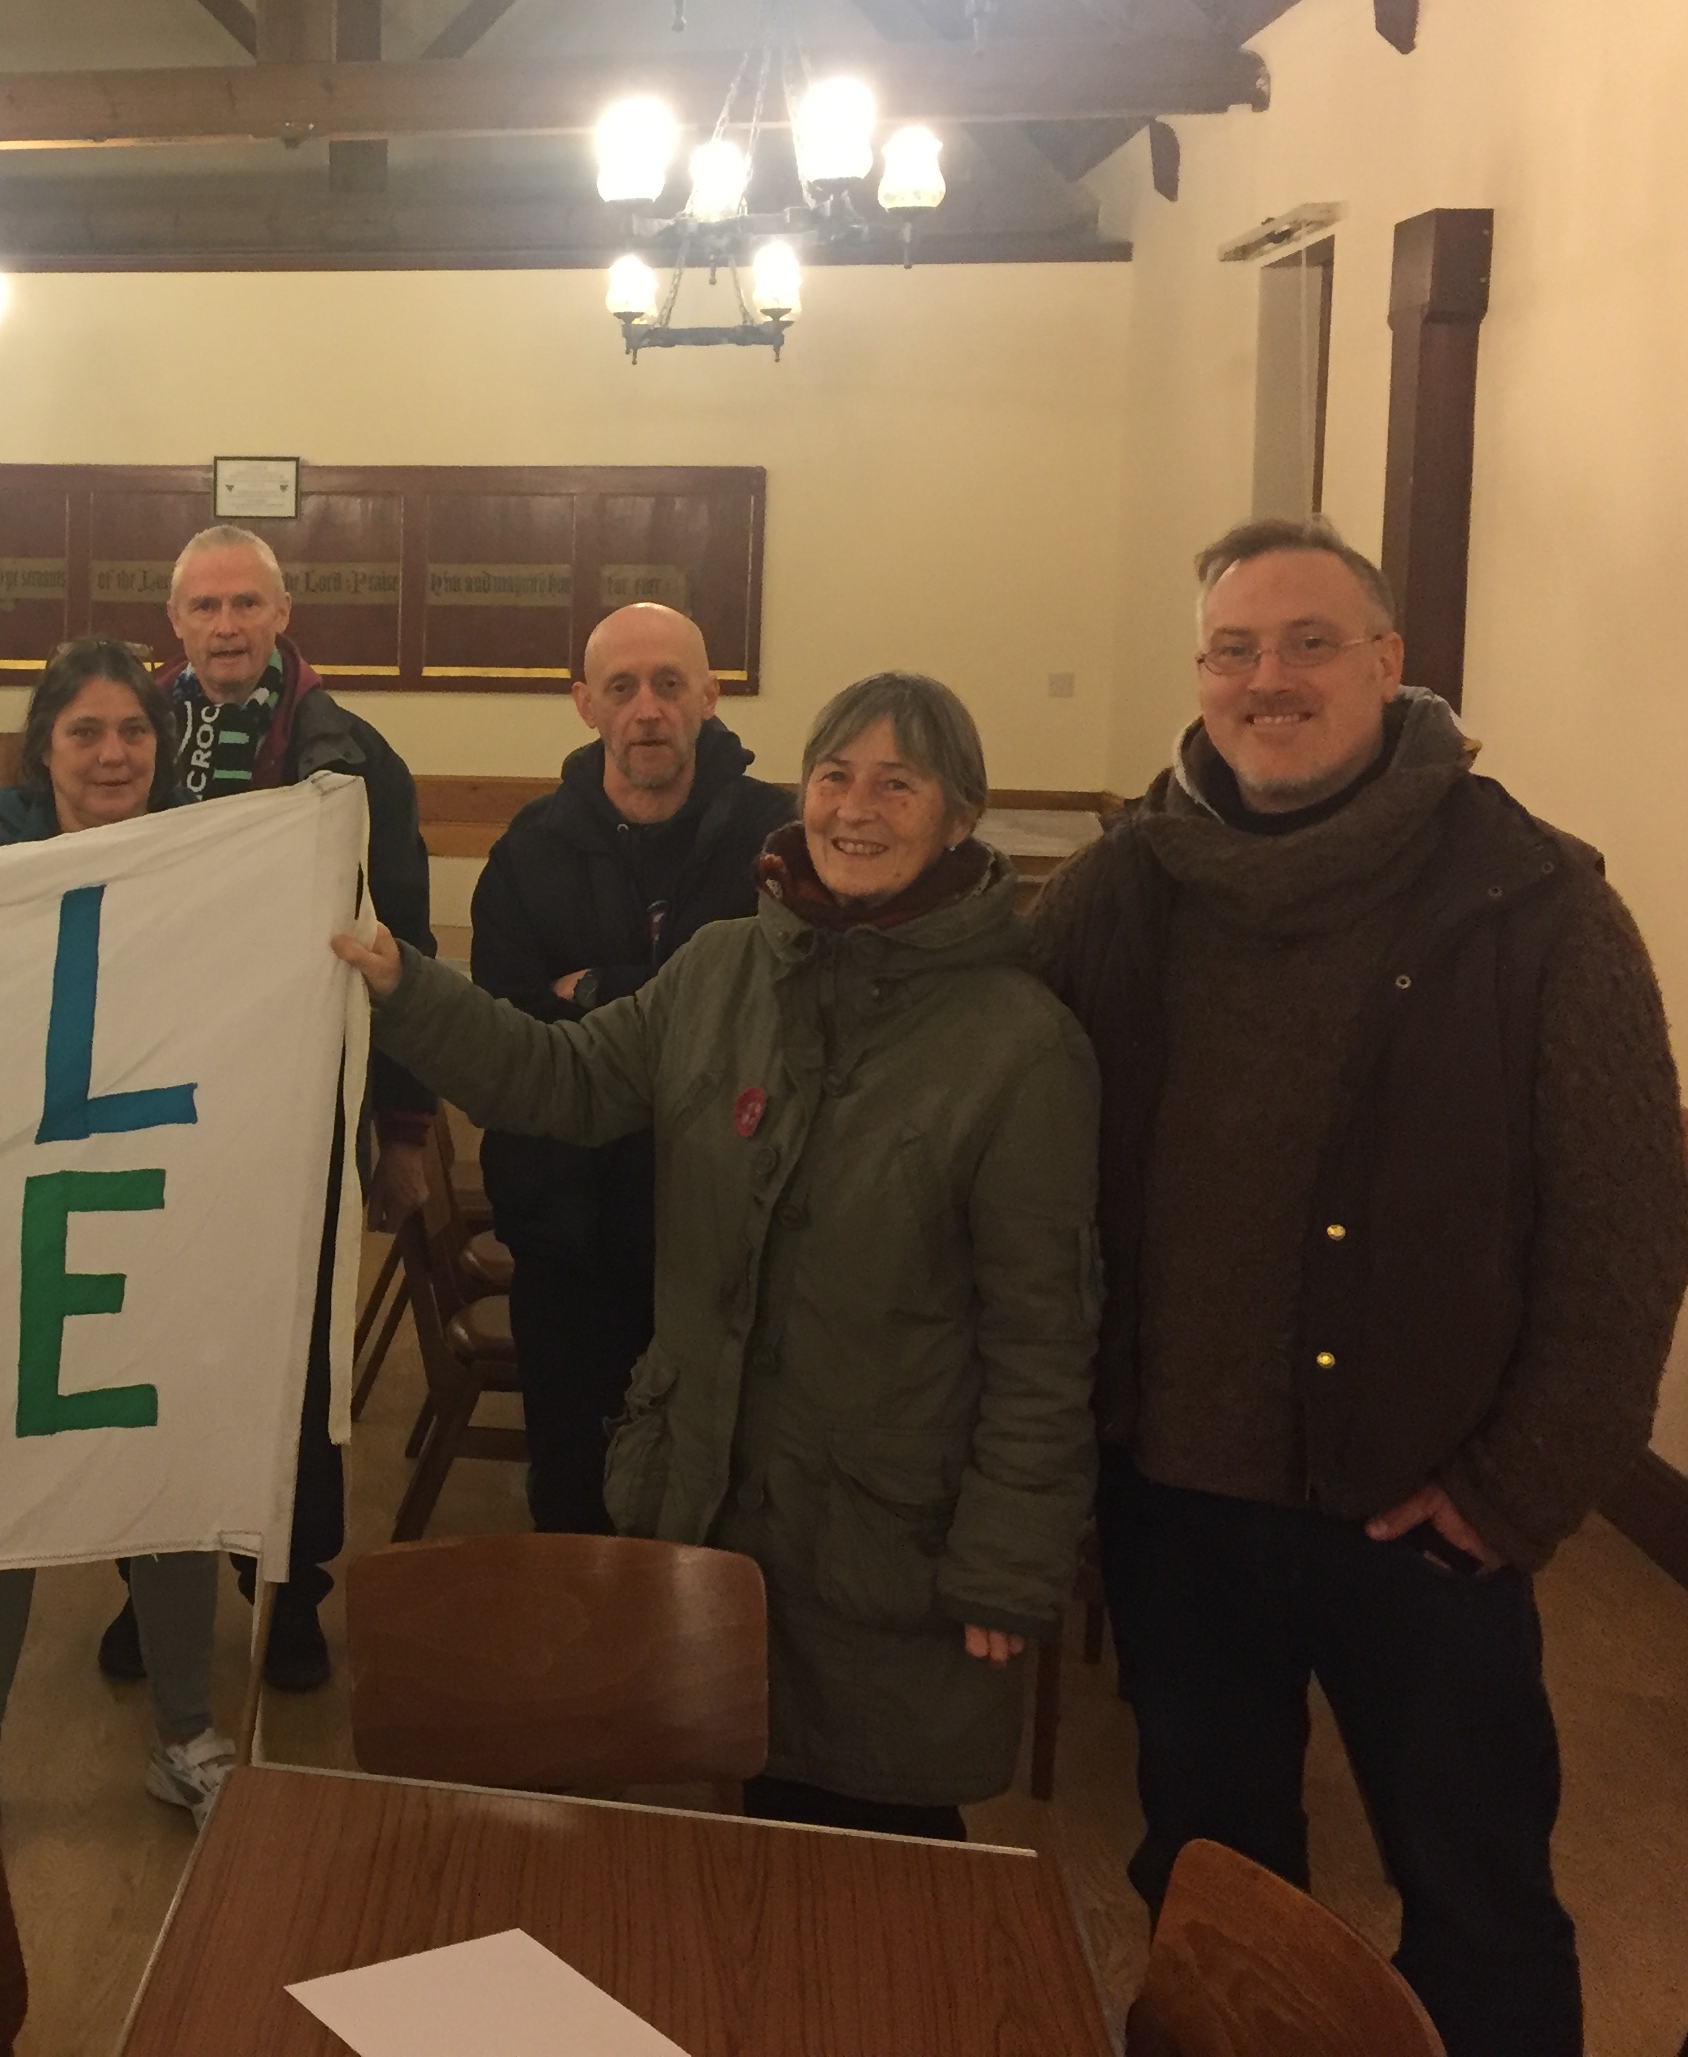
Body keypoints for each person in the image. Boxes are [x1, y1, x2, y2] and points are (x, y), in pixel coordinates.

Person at [1028, 517, 1688, 2055]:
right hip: (1179, 1503)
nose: (1271, 680)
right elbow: (970, 1030)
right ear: (1199, 678)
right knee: (1207, 1885)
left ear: (1391, 666)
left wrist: (1517, 1492)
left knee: (1478, 1906)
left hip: (1426, 1519)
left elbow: (1628, 1236)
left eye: (1310, 643)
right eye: (1236, 650)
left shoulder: (1536, 909)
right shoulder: (1126, 886)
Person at [335, 672, 1099, 1837]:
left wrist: (1008, 1558)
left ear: (959, 813)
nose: (857, 807)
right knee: (714, 1831)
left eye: (899, 783)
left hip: (881, 1538)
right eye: (837, 774)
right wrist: (406, 985)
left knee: (870, 1864)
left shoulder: (1019, 1046)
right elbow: (560, 1076)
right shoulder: (721, 969)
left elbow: (1043, 1336)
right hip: (708, 1501)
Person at [0, 639, 238, 1823]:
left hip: (160, 1209)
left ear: (162, 749)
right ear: (43, 749)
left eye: (134, 734)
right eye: (86, 733)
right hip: (13, 1215)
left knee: (163, 1466)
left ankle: (187, 1732)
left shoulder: (212, 871)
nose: (113, 755)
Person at [127, 524, 434, 1693]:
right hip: (147, 1104)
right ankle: (149, 1586)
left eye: (247, 604)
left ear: (283, 612)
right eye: (204, 606)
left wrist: (400, 1131)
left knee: (296, 1366)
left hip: (296, 1115)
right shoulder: (120, 734)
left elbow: (398, 957)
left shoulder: (355, 754)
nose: (226, 626)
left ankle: (291, 1586)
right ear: (176, 622)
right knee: (146, 1349)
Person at [469, 603, 793, 1534]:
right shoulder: (529, 851)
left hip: (734, 1239)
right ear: (584, 704)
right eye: (621, 687)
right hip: (569, 1232)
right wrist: (684, 1010)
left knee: (725, 1503)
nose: (646, 708)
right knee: (574, 1494)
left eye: (668, 684)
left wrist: (602, 987)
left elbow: (779, 1018)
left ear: (709, 695)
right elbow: (510, 1041)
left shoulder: (786, 844)